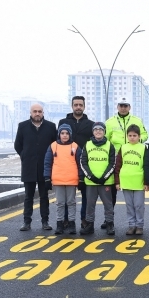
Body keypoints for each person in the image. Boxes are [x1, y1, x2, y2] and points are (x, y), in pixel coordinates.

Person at [104, 97, 148, 228]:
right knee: (111, 192)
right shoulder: (110, 122)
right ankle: (108, 219)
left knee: (137, 202)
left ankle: (137, 224)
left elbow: (145, 134)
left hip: (134, 156)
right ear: (117, 107)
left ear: (129, 107)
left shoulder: (137, 121)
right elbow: (106, 139)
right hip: (116, 158)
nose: (123, 108)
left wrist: (134, 143)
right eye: (121, 105)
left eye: (126, 105)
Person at [14, 103, 57, 231]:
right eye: (35, 111)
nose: (37, 114)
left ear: (43, 113)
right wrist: (25, 156)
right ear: (31, 113)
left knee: (44, 196)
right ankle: (26, 222)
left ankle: (45, 221)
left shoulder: (50, 126)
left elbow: (55, 145)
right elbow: (18, 145)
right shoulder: (23, 126)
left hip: (45, 168)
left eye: (39, 111)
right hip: (29, 167)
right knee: (29, 196)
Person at [59, 96, 95, 224]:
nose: (78, 107)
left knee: (85, 195)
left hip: (85, 164)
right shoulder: (63, 122)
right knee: (67, 197)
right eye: (76, 105)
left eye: (80, 105)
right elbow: (58, 142)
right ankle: (66, 220)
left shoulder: (91, 124)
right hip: (66, 164)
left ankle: (85, 220)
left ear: (84, 106)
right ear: (72, 106)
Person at [43, 124, 81, 235]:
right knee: (60, 203)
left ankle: (71, 223)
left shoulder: (75, 146)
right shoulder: (53, 146)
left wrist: (81, 178)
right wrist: (47, 178)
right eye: (62, 133)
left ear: (70, 135)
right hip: (58, 180)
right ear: (59, 134)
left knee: (71, 202)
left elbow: (80, 164)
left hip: (71, 179)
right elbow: (47, 163)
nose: (65, 135)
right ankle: (59, 224)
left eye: (67, 133)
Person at [79, 122, 116, 235]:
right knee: (90, 205)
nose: (98, 131)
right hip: (91, 181)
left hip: (106, 181)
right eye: (96, 129)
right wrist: (91, 176)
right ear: (93, 132)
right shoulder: (87, 144)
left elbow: (112, 163)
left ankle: (109, 224)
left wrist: (104, 177)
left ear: (104, 132)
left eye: (101, 129)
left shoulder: (110, 145)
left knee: (108, 204)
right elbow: (83, 162)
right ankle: (89, 225)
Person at [114, 125, 146, 236]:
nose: (132, 138)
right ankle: (132, 225)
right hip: (126, 180)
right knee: (129, 205)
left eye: (134, 136)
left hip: (139, 181)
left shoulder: (143, 148)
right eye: (130, 135)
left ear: (139, 136)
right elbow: (118, 165)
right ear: (127, 136)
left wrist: (146, 182)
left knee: (139, 205)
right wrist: (117, 181)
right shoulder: (123, 148)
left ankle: (139, 226)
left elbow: (146, 166)